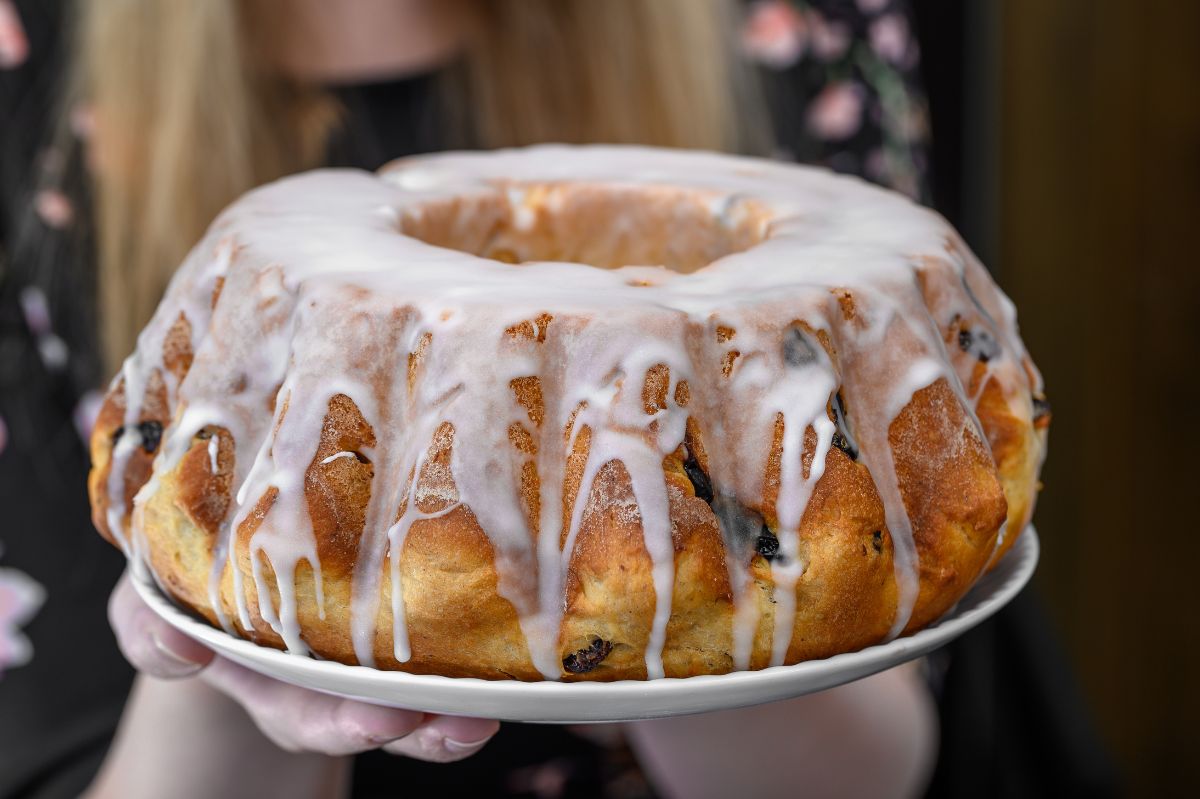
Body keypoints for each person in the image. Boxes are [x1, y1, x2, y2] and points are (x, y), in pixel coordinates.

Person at [0, 1, 1113, 797]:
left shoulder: (798, 28)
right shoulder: (26, 79)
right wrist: (228, 645)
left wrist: (672, 590)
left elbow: (885, 752)